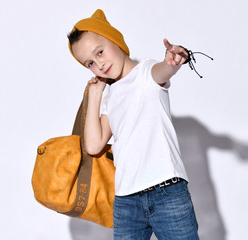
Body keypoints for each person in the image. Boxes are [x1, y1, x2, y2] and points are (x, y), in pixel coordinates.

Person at [67, 9, 199, 240]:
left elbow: (162, 70)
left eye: (100, 51)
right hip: (126, 200)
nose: (99, 63)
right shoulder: (110, 96)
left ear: (115, 41)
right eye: (89, 63)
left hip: (167, 191)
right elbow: (94, 145)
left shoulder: (146, 72)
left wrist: (172, 62)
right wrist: (96, 95)